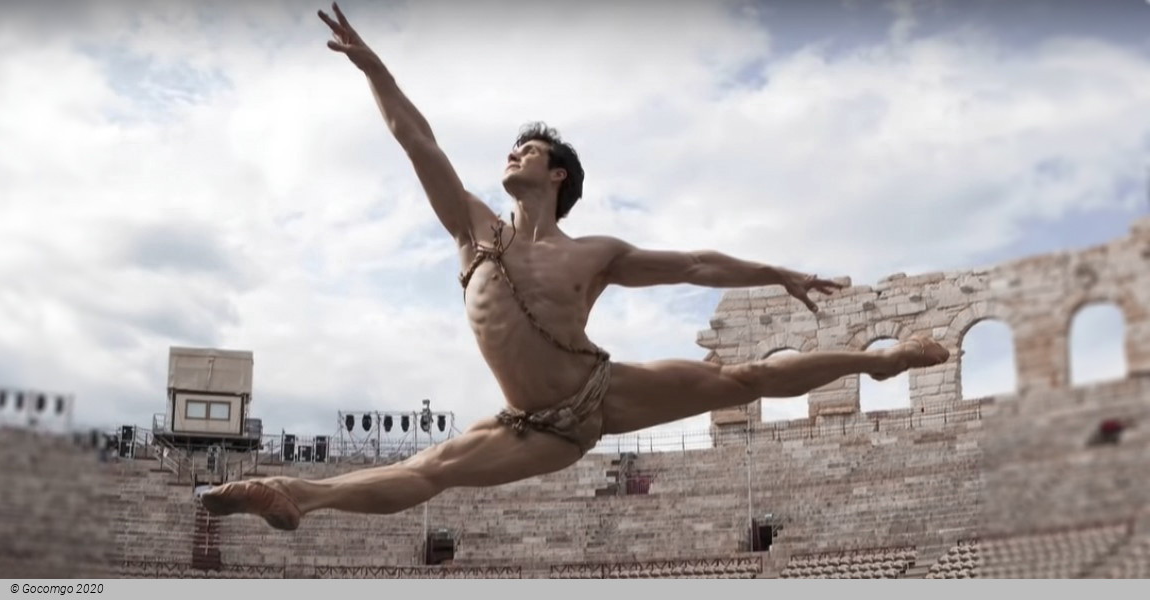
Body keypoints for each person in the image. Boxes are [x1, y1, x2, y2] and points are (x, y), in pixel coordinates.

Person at [200, 3, 950, 531]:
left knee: (742, 380)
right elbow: (418, 142)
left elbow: (693, 264)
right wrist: (375, 71)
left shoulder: (594, 255)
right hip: (533, 428)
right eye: (513, 149)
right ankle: (294, 494)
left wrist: (776, 272)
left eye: (528, 151)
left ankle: (879, 362)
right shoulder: (474, 231)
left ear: (557, 176)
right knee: (432, 470)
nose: (513, 155)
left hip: (603, 393)